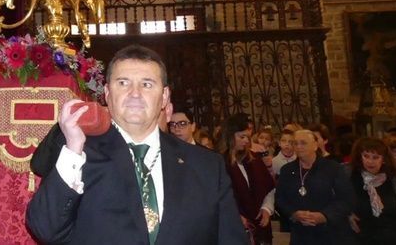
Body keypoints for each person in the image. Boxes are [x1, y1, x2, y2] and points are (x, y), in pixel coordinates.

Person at [26, 44, 245, 244]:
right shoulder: (78, 156)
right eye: (123, 83)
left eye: (147, 84)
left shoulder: (207, 166)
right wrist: (74, 148)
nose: (135, 94)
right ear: (107, 93)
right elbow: (45, 229)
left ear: (164, 96)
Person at [275, 129, 354, 244]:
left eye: (303, 143)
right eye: (295, 143)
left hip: (330, 234)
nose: (299, 147)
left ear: (315, 145)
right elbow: (280, 199)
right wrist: (293, 213)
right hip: (300, 234)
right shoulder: (287, 170)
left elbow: (346, 199)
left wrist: (324, 216)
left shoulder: (333, 168)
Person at [218, 117, 276, 244]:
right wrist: (234, 215)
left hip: (260, 225)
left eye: (248, 137)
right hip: (233, 227)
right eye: (242, 137)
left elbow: (268, 187)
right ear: (229, 136)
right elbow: (217, 196)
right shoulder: (219, 162)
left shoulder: (254, 159)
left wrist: (266, 209)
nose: (246, 141)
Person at [347, 137, 396, 244]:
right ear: (359, 157)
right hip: (360, 237)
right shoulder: (350, 177)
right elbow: (338, 202)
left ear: (384, 159)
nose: (370, 161)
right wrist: (347, 214)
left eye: (375, 157)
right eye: (366, 156)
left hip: (392, 237)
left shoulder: (395, 178)